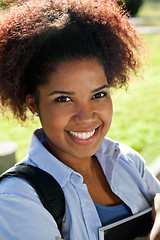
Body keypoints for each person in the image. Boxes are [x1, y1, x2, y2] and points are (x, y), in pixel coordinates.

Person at [0, 0, 160, 239]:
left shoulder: (126, 161)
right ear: (33, 104)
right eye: (64, 99)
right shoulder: (17, 199)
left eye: (98, 94)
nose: (86, 116)